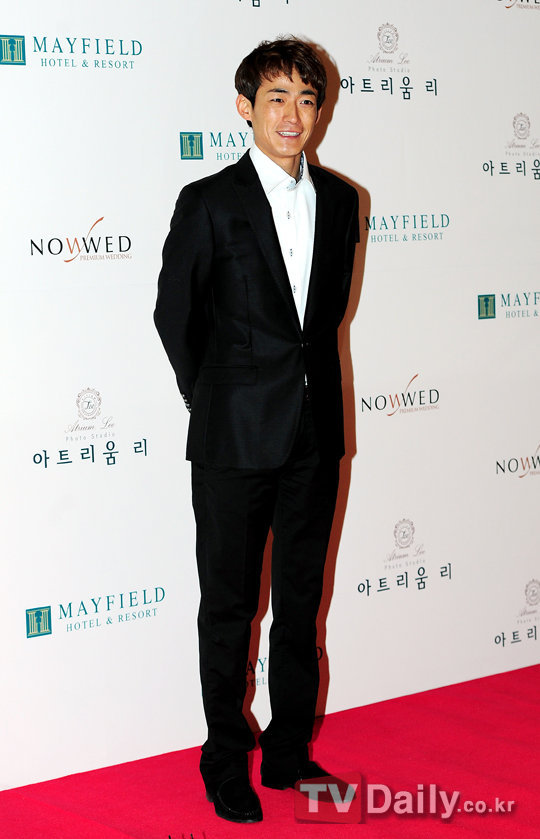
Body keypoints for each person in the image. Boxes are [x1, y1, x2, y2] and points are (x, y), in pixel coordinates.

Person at [154, 36, 359, 824]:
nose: (293, 114)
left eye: (307, 98)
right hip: (233, 438)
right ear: (245, 107)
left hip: (315, 434)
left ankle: (289, 752)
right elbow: (175, 315)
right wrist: (214, 399)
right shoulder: (208, 200)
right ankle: (224, 760)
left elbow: (322, 322)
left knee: (302, 602)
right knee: (230, 607)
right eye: (277, 97)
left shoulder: (340, 200)